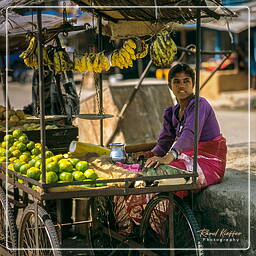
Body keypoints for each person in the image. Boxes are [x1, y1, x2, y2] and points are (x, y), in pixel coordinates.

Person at [140, 63, 227, 197]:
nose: (181, 86)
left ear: (192, 84)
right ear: (170, 85)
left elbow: (190, 134)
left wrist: (168, 157)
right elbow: (164, 142)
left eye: (186, 81)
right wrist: (150, 155)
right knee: (146, 171)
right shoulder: (171, 112)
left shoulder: (199, 104)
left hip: (209, 163)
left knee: (163, 175)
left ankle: (163, 214)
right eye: (177, 82)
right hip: (188, 158)